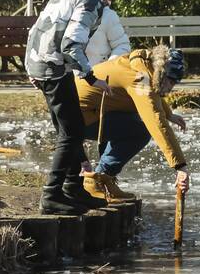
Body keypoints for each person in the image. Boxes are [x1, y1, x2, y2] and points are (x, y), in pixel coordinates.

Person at [25, 0, 124, 215]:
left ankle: (72, 187)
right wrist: (91, 78)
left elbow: (38, 29)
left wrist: (30, 67)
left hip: (43, 61)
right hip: (52, 66)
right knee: (71, 133)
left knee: (70, 129)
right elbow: (71, 45)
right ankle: (52, 194)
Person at [75, 44, 190, 204]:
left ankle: (103, 178)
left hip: (83, 112)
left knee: (132, 117)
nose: (171, 88)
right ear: (161, 72)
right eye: (170, 81)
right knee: (141, 131)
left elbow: (154, 95)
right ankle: (99, 180)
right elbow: (155, 119)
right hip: (79, 119)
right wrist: (180, 166)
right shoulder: (140, 79)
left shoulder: (141, 64)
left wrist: (169, 114)